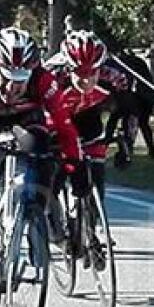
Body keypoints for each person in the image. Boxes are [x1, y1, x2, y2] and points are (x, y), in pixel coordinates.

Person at [0, 27, 83, 307]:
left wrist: (75, 164)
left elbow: (63, 126)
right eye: (8, 79)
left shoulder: (43, 80)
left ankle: (32, 217)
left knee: (44, 155)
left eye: (21, 81)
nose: (14, 88)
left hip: (26, 119)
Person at [46, 30, 131, 197]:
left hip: (89, 116)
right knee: (57, 175)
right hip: (59, 118)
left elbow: (129, 112)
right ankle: (54, 215)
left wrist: (127, 143)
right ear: (68, 68)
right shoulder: (52, 77)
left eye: (93, 72)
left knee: (96, 179)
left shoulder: (115, 77)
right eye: (80, 72)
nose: (87, 80)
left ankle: (91, 215)